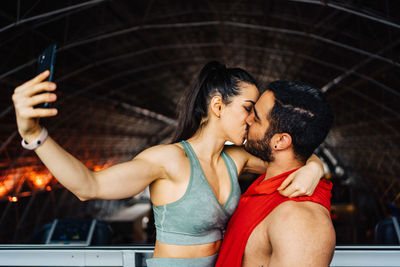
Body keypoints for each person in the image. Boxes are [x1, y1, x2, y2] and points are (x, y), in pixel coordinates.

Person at [12, 61, 324, 267]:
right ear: (218, 106)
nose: (253, 118)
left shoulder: (237, 160)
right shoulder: (168, 159)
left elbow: (288, 149)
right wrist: (35, 134)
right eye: (247, 108)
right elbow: (87, 186)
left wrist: (315, 167)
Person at [216, 80, 336, 267]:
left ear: (280, 141)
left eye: (256, 118)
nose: (247, 120)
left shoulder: (301, 220)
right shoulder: (272, 182)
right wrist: (315, 166)